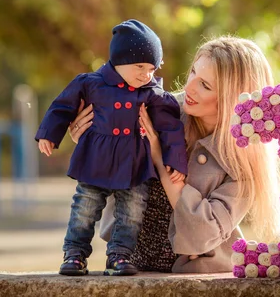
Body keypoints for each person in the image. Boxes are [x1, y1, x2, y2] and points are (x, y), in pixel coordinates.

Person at [68, 36, 280, 273]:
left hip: (197, 273)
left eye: (206, 85)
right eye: (193, 72)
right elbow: (111, 181)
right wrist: (93, 145)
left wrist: (161, 162)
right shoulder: (159, 110)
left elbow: (201, 233)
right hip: (129, 264)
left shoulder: (244, 160)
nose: (189, 86)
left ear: (231, 99)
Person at [35, 19, 188, 276]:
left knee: (132, 213)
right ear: (119, 60)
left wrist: (176, 160)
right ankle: (74, 254)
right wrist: (49, 134)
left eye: (152, 68)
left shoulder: (151, 94)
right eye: (140, 66)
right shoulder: (91, 83)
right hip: (96, 159)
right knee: (84, 208)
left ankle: (119, 255)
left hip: (134, 165)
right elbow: (62, 107)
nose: (146, 74)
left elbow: (171, 128)